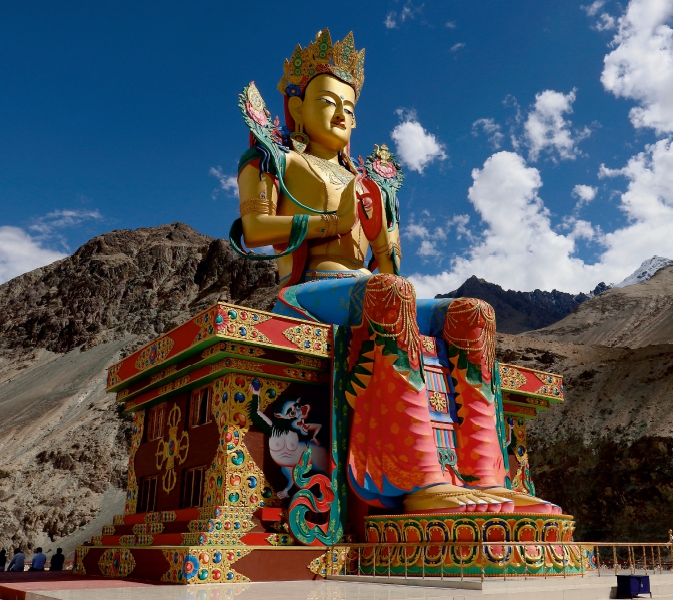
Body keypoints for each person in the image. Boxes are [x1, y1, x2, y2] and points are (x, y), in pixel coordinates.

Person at [231, 29, 561, 515]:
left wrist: (382, 230)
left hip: (373, 289)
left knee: (473, 313)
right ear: (296, 107)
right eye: (327, 101)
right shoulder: (274, 160)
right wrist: (331, 222)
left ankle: (486, 476)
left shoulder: (370, 184)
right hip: (308, 290)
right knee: (392, 295)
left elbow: (386, 264)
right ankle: (417, 478)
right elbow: (254, 229)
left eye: (349, 105)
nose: (342, 114)